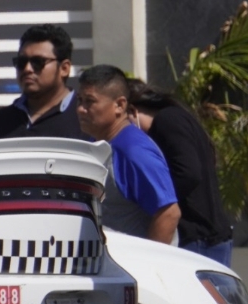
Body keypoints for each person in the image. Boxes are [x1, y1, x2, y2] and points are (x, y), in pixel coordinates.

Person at [127, 80, 235, 265]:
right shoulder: (174, 120)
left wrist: (156, 199)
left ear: (131, 110)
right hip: (205, 237)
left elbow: (188, 173)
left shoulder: (167, 121)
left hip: (198, 238)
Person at [75, 64, 181, 245]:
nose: (80, 109)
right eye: (79, 100)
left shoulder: (133, 151)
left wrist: (149, 264)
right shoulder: (99, 144)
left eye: (90, 101)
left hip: (134, 268)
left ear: (119, 105)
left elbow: (169, 213)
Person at [0, 24, 88, 140]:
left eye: (38, 62)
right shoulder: (1, 122)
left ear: (64, 68)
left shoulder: (85, 118)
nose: (27, 69)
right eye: (22, 62)